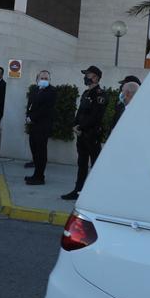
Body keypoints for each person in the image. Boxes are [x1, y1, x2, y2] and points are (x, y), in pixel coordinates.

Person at [61, 65, 107, 201]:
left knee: (95, 165)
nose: (85, 77)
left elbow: (95, 117)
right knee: (81, 164)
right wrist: (75, 125)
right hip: (81, 135)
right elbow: (80, 112)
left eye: (87, 74)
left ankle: (95, 193)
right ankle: (78, 190)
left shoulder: (100, 95)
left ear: (96, 77)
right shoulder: (86, 93)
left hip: (92, 136)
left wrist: (80, 127)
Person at [25, 70, 56, 185]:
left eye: (46, 78)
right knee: (34, 149)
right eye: (41, 78)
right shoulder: (34, 90)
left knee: (41, 152)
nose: (44, 80)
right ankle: (35, 174)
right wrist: (28, 117)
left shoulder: (51, 91)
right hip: (33, 126)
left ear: (49, 80)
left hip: (42, 126)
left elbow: (46, 109)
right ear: (37, 79)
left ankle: (40, 177)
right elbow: (30, 105)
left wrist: (32, 117)